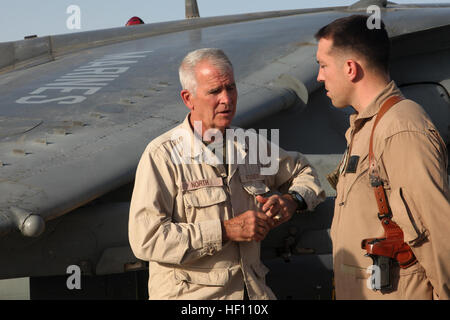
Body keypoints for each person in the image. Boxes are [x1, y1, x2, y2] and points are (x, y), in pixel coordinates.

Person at [128, 48, 325, 299]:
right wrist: (225, 230)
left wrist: (292, 201)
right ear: (188, 98)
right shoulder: (162, 156)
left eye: (230, 88)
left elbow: (304, 171)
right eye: (214, 91)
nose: (227, 99)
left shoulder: (250, 146)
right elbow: (147, 239)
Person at [315, 15, 450, 299]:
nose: (320, 76)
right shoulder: (366, 128)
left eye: (323, 65)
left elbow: (439, 237)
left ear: (350, 68)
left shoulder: (400, 128)